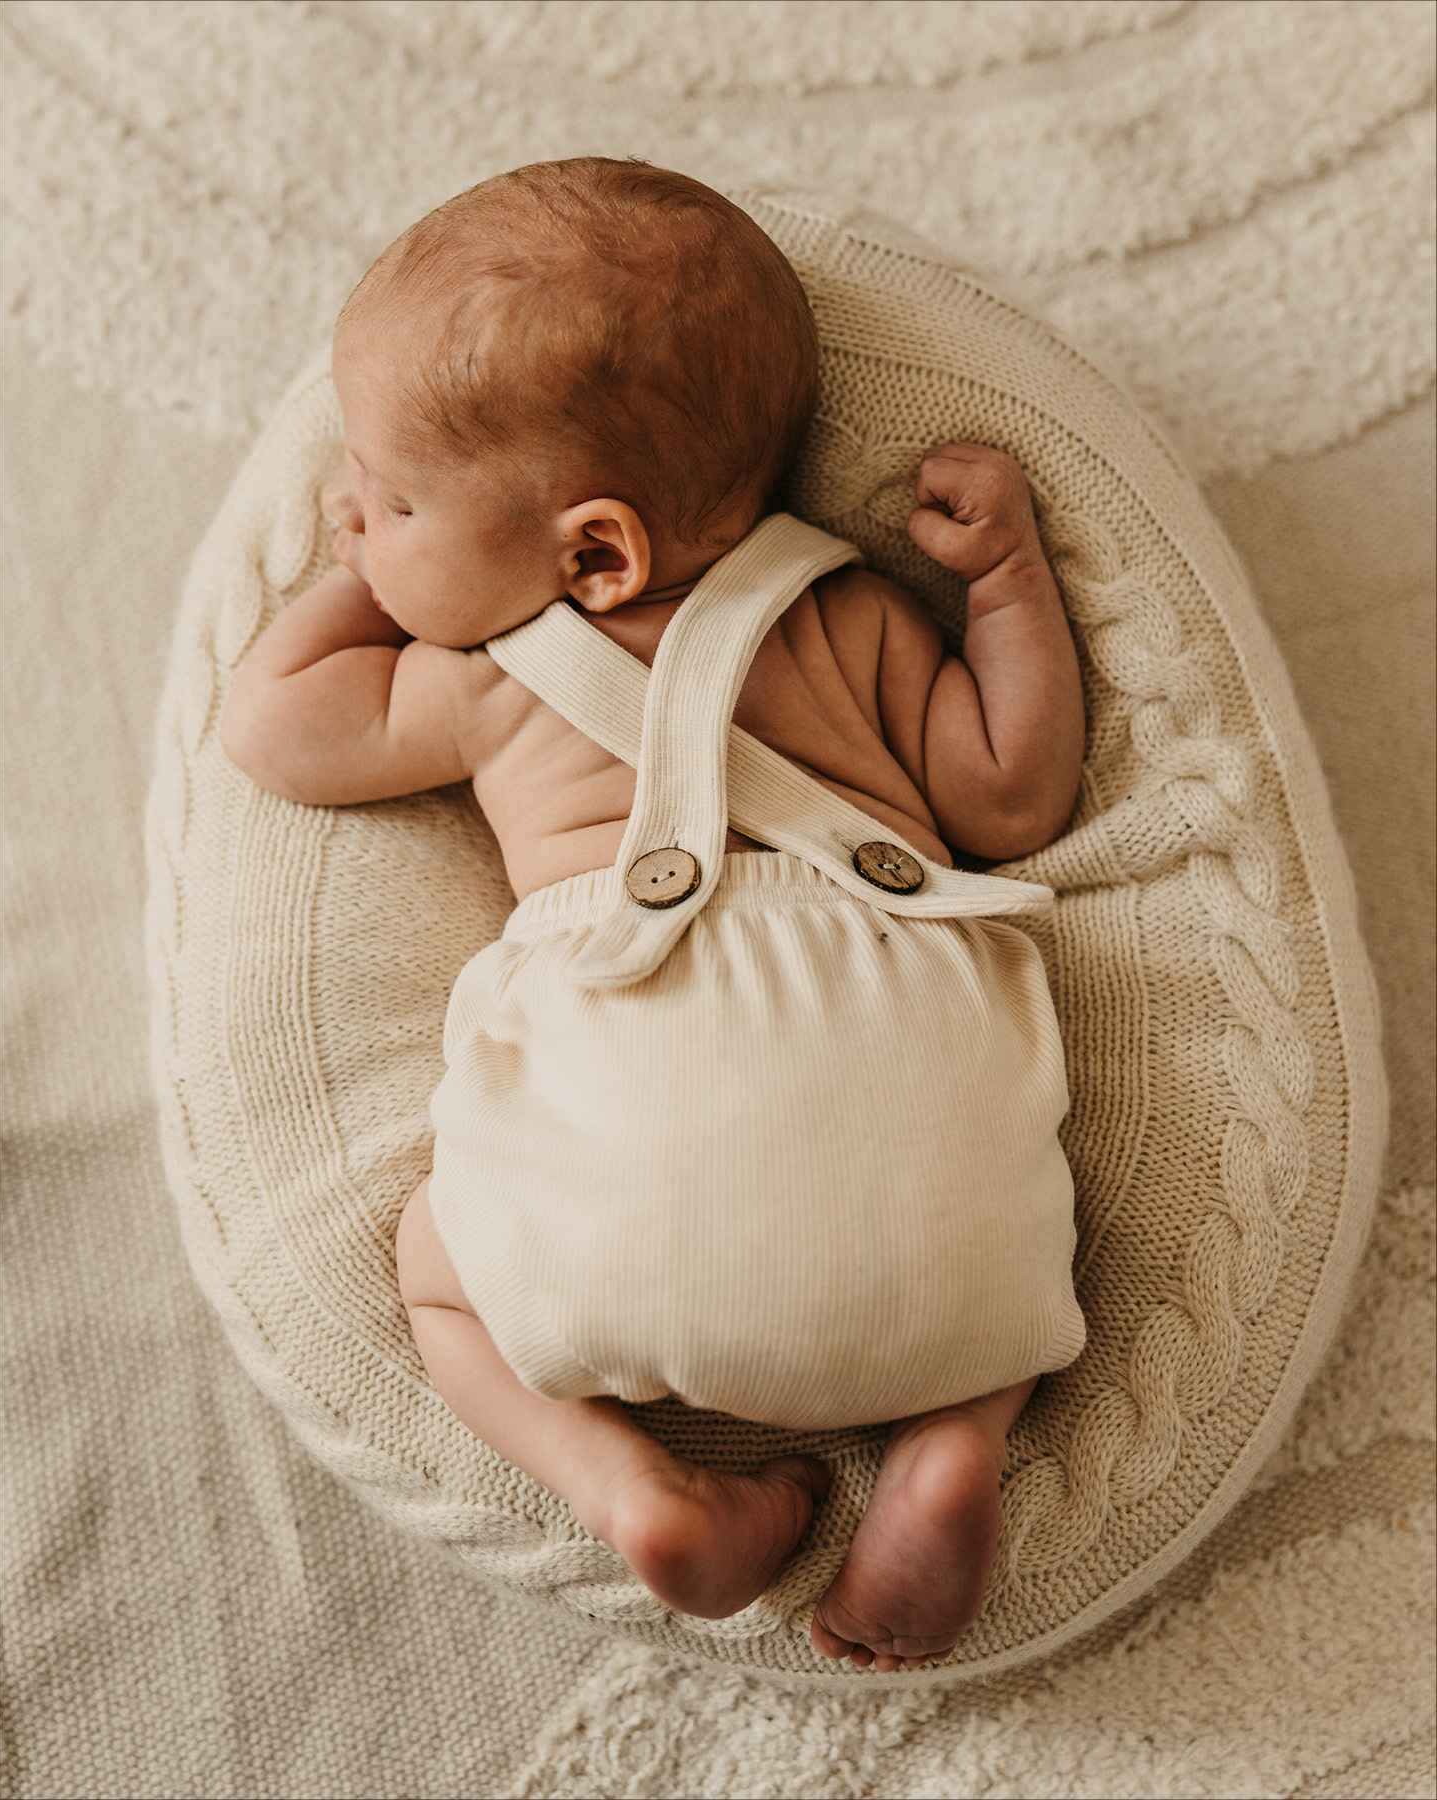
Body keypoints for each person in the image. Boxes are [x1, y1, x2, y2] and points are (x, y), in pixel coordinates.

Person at [221, 157, 1087, 1672]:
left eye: (393, 499)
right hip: (900, 1045)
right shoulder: (859, 618)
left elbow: (273, 728)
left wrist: (367, 580)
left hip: (638, 1072)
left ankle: (641, 1492)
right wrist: (1008, 586)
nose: (353, 512)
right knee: (1006, 1228)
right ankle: (957, 1430)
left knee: (440, 1275)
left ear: (596, 555)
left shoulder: (494, 678)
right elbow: (1016, 798)